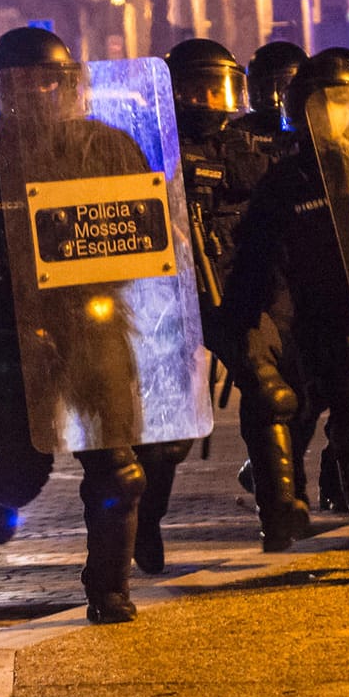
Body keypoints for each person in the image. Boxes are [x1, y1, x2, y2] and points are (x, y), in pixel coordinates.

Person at [0, 27, 152, 624]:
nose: (36, 94)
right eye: (19, 85)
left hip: (96, 322)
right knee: (26, 465)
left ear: (69, 87)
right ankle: (2, 491)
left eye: (49, 82)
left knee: (116, 464)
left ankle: (109, 588)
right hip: (12, 329)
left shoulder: (108, 146)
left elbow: (149, 230)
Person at [223, 52, 349, 582]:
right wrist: (239, 323)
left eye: (339, 104)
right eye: (315, 106)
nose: (328, 116)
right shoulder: (285, 183)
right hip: (317, 323)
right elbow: (255, 261)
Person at [127, 39, 248, 574]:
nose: (207, 100)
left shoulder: (241, 145)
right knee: (168, 436)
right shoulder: (146, 144)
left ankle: (279, 493)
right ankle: (144, 522)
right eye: (195, 88)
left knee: (283, 389)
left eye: (215, 87)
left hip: (231, 289)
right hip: (163, 303)